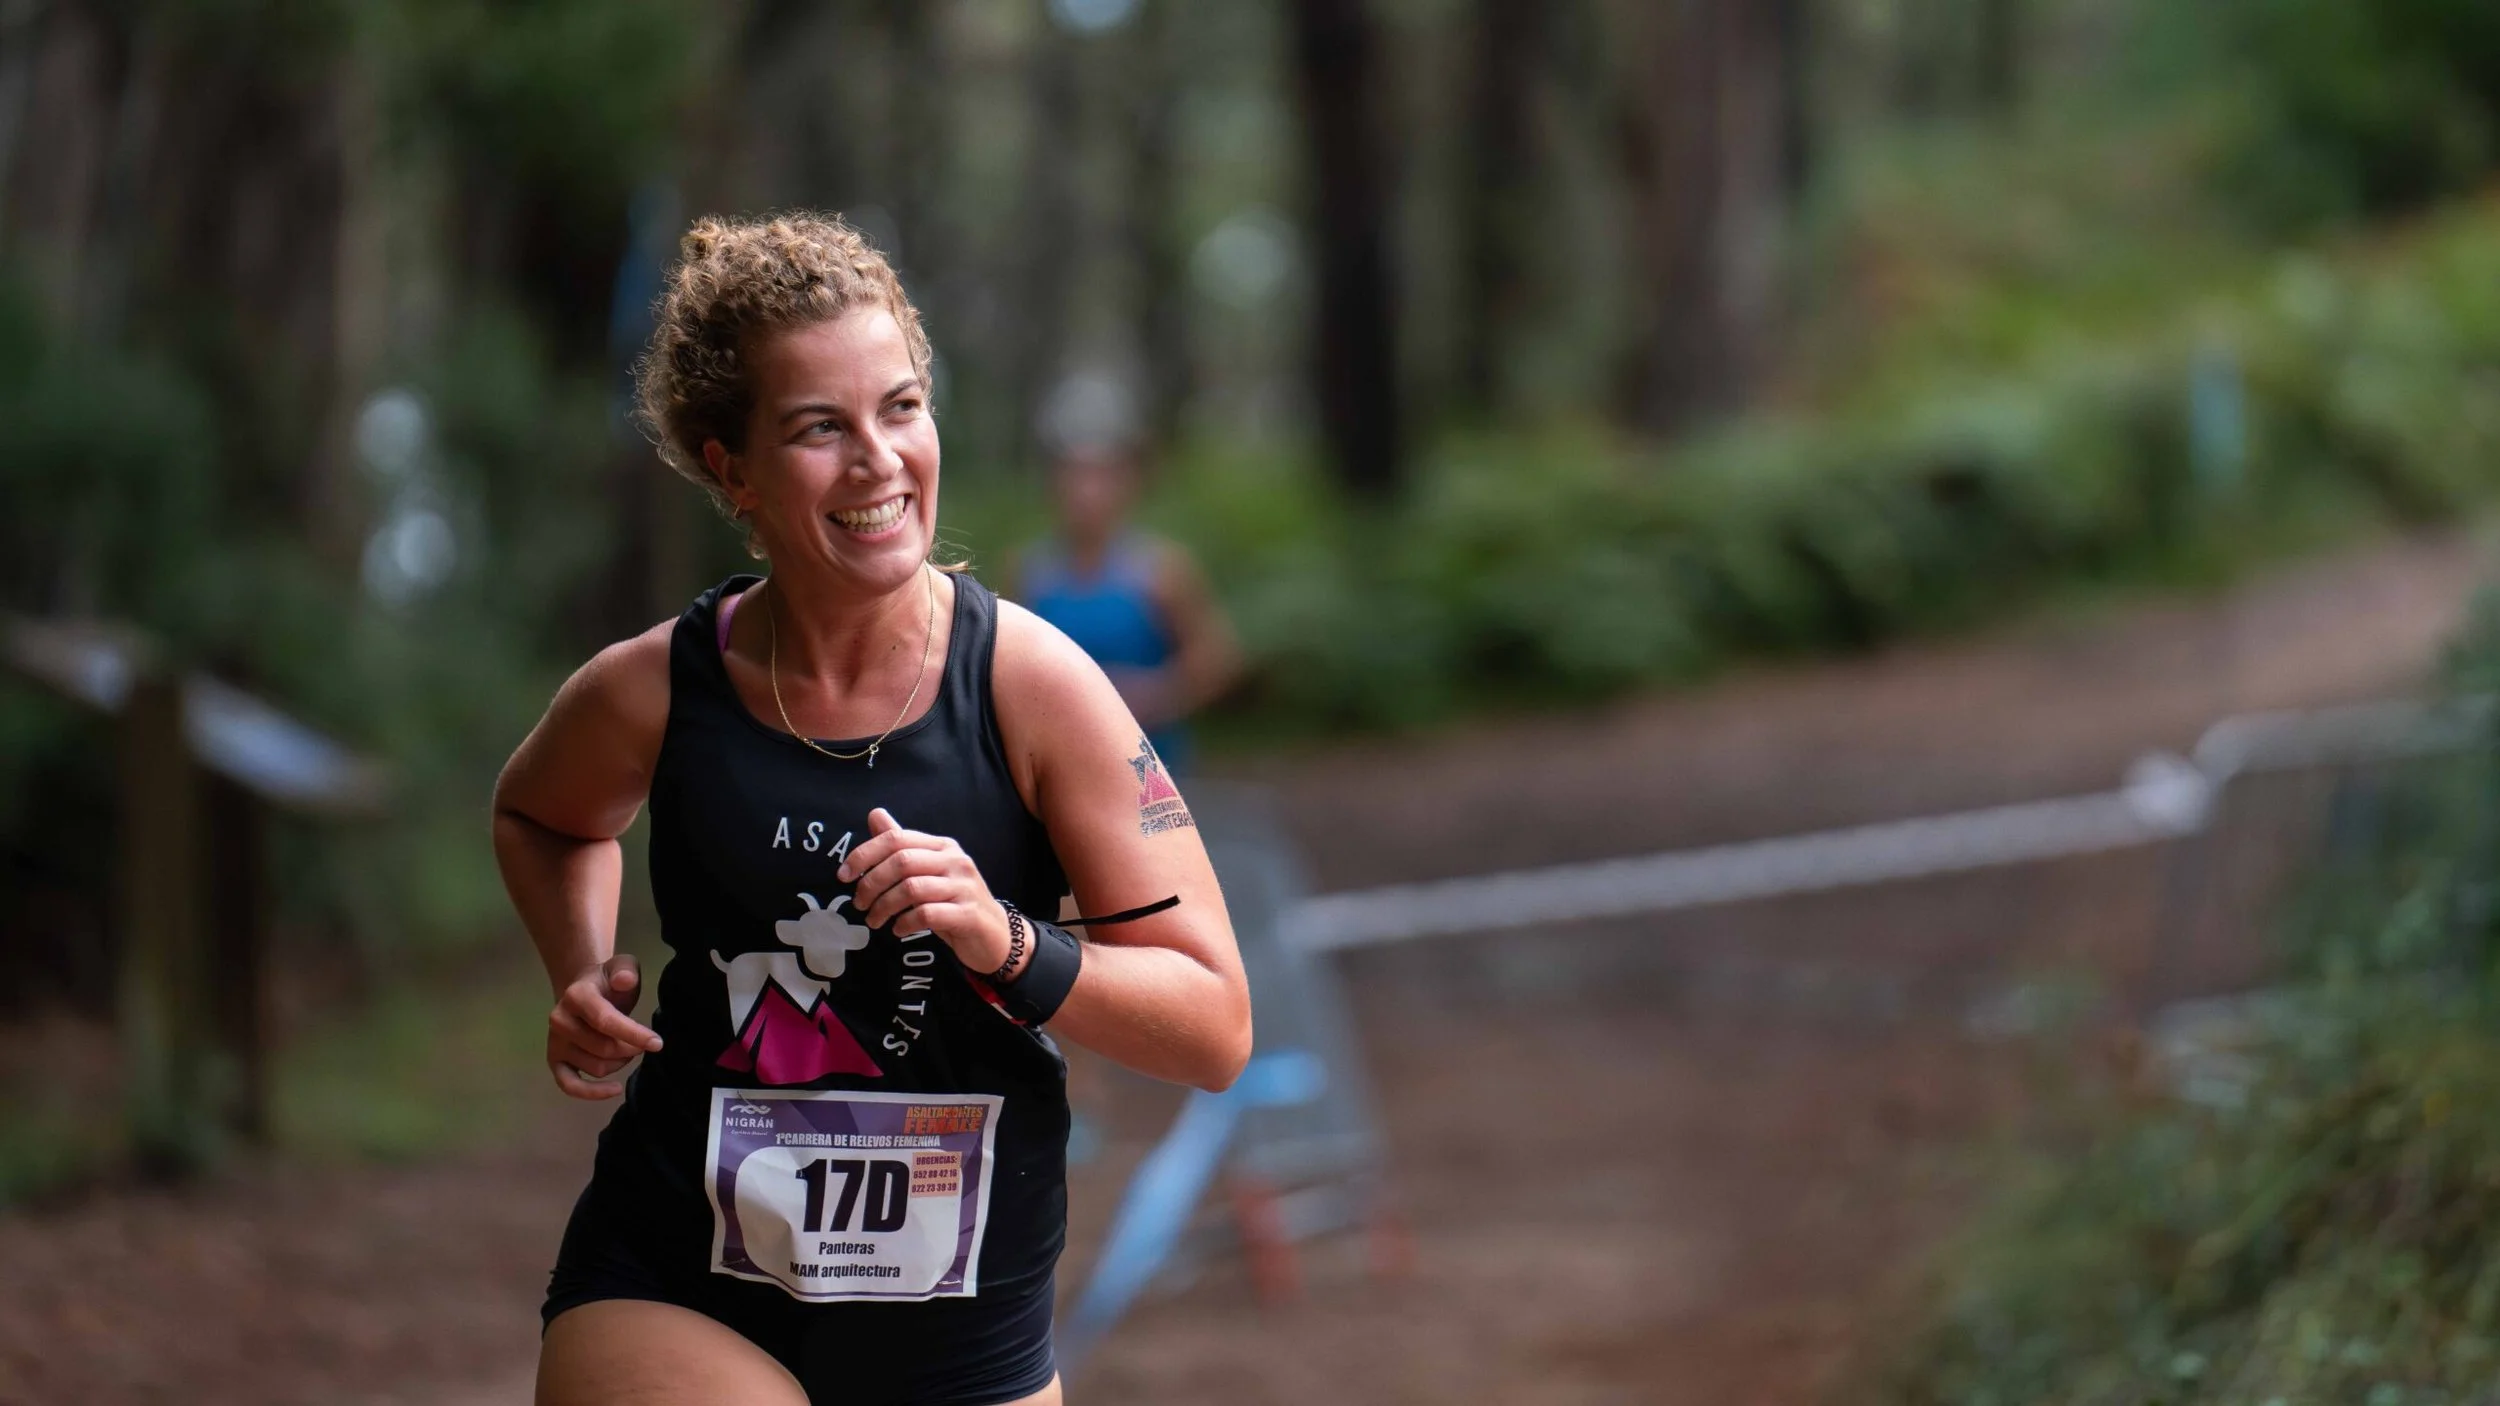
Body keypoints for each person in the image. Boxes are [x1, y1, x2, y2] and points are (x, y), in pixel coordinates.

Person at [492, 212, 1252, 1406]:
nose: (878, 460)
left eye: (900, 407)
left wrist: (1006, 941)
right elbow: (545, 814)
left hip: (960, 1323)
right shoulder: (655, 686)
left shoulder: (1034, 686)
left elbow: (1213, 1026)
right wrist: (581, 965)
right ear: (727, 463)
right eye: (817, 428)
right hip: (683, 1266)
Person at [1017, 445, 1242, 776]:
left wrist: (1157, 694)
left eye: (1100, 478)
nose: (1087, 493)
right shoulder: (1033, 576)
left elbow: (1218, 660)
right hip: (1063, 769)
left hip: (1153, 767)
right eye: (1075, 477)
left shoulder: (1160, 572)